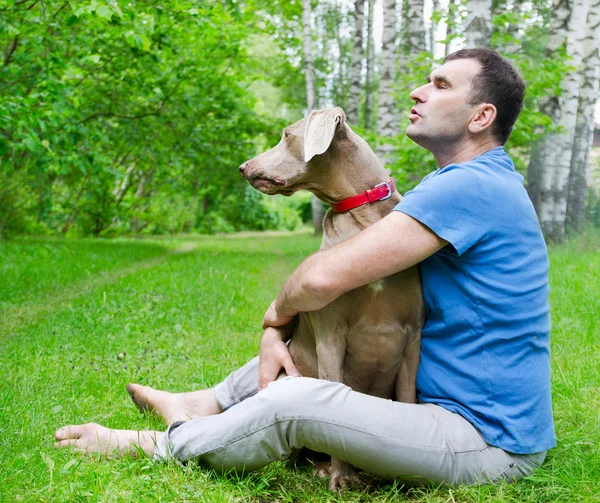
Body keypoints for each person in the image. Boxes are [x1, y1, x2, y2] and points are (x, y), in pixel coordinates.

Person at [55, 48, 556, 486]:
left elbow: (320, 278)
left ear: (480, 116)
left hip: (485, 439)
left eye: (440, 84)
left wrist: (274, 318)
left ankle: (158, 443)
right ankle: (201, 403)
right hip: (446, 412)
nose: (419, 90)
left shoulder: (469, 187)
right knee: (312, 349)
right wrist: (287, 332)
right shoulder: (469, 183)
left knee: (296, 401)